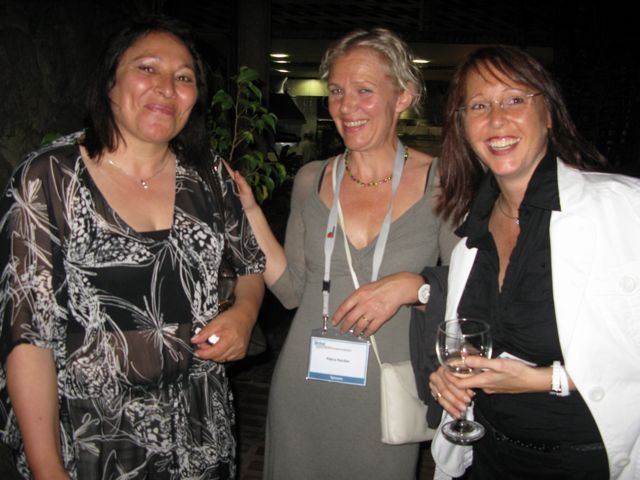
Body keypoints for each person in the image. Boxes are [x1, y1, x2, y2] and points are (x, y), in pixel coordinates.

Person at [339, 44, 640, 479]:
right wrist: (449, 377)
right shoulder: (471, 235)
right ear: (463, 126)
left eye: (514, 99)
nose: (496, 119)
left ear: (549, 113)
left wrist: (544, 379)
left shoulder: (622, 210)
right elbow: (477, 342)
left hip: (587, 460)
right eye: (479, 106)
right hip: (487, 457)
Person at [0, 16, 265, 479]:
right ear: (110, 82)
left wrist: (244, 313)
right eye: (147, 68)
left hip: (201, 430)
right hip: (93, 437)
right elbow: (27, 335)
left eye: (184, 77)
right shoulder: (50, 178)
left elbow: (250, 265)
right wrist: (47, 467)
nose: (166, 87)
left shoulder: (208, 176)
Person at [230, 28, 457, 480]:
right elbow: (292, 290)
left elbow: (468, 293)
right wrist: (251, 211)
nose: (346, 107)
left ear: (403, 96)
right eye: (336, 91)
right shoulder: (312, 179)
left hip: (387, 390)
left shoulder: (445, 182)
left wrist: (413, 286)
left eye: (364, 90)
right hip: (305, 383)